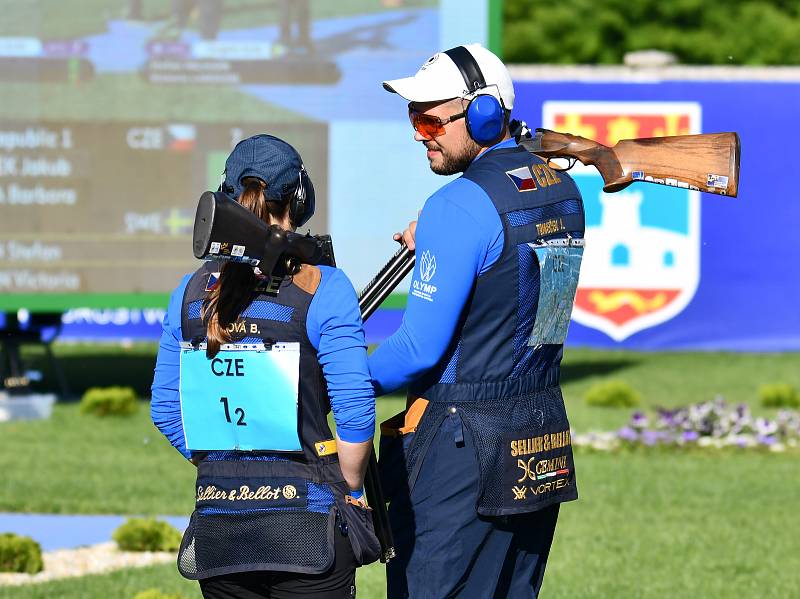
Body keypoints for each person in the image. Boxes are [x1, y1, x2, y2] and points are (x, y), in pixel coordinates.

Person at [369, 44, 586, 598]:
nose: (420, 133)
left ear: (486, 113)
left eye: (431, 118)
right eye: (413, 118)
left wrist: (339, 375)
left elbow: (416, 351)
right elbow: (516, 289)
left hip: (461, 446)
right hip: (539, 431)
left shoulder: (457, 205)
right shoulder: (564, 190)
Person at [151, 134, 378, 599]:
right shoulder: (323, 287)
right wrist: (349, 485)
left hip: (220, 527)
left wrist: (224, 460)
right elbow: (354, 410)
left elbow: (167, 410)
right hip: (310, 524)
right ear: (300, 196)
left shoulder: (190, 291)